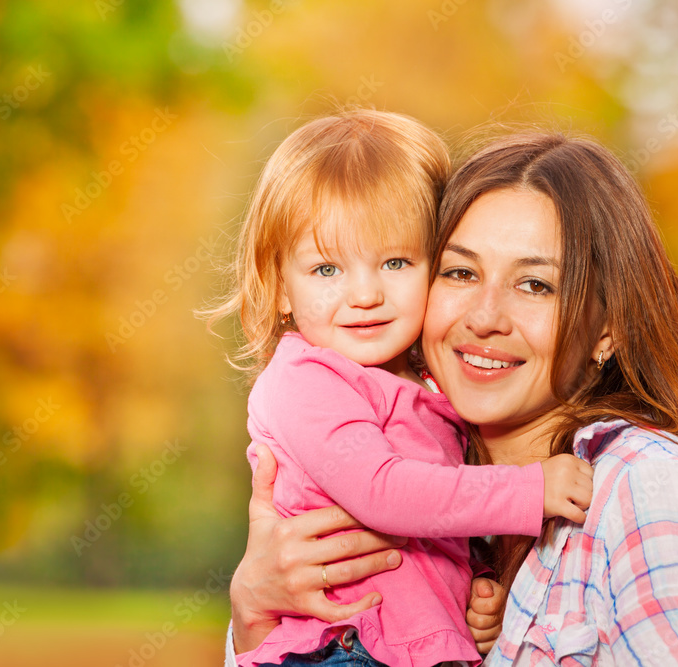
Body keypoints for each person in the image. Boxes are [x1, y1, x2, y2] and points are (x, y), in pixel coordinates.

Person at [225, 129, 678, 666]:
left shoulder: (649, 490)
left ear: (606, 328)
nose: (485, 318)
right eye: (462, 272)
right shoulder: (442, 468)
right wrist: (253, 616)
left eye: (535, 284)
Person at [208, 110, 595, 667]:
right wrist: (528, 491)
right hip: (344, 650)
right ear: (279, 288)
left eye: (394, 261)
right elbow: (385, 494)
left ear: (435, 266)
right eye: (325, 269)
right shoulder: (306, 380)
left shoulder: (429, 386)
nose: (364, 293)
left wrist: (474, 581)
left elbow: (435, 519)